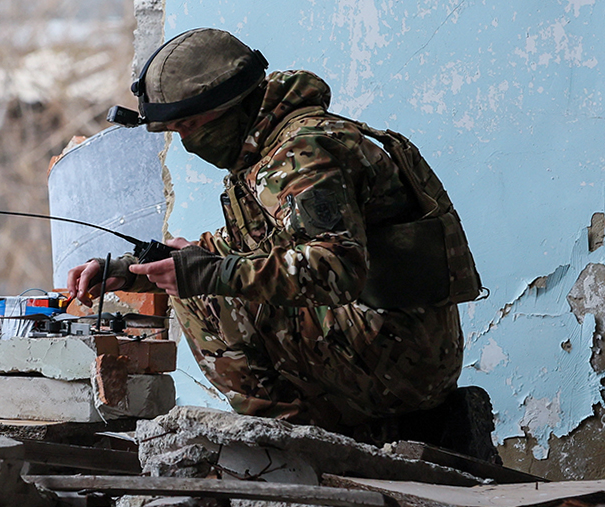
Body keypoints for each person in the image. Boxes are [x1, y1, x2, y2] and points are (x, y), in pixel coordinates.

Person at [67, 28, 491, 458]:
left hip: (399, 361)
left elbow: (335, 268)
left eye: (190, 125)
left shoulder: (302, 154)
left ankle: (290, 447)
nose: (188, 143)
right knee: (205, 275)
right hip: (392, 348)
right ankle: (343, 433)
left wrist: (205, 274)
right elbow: (242, 247)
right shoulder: (270, 149)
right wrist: (131, 271)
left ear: (231, 105)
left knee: (204, 295)